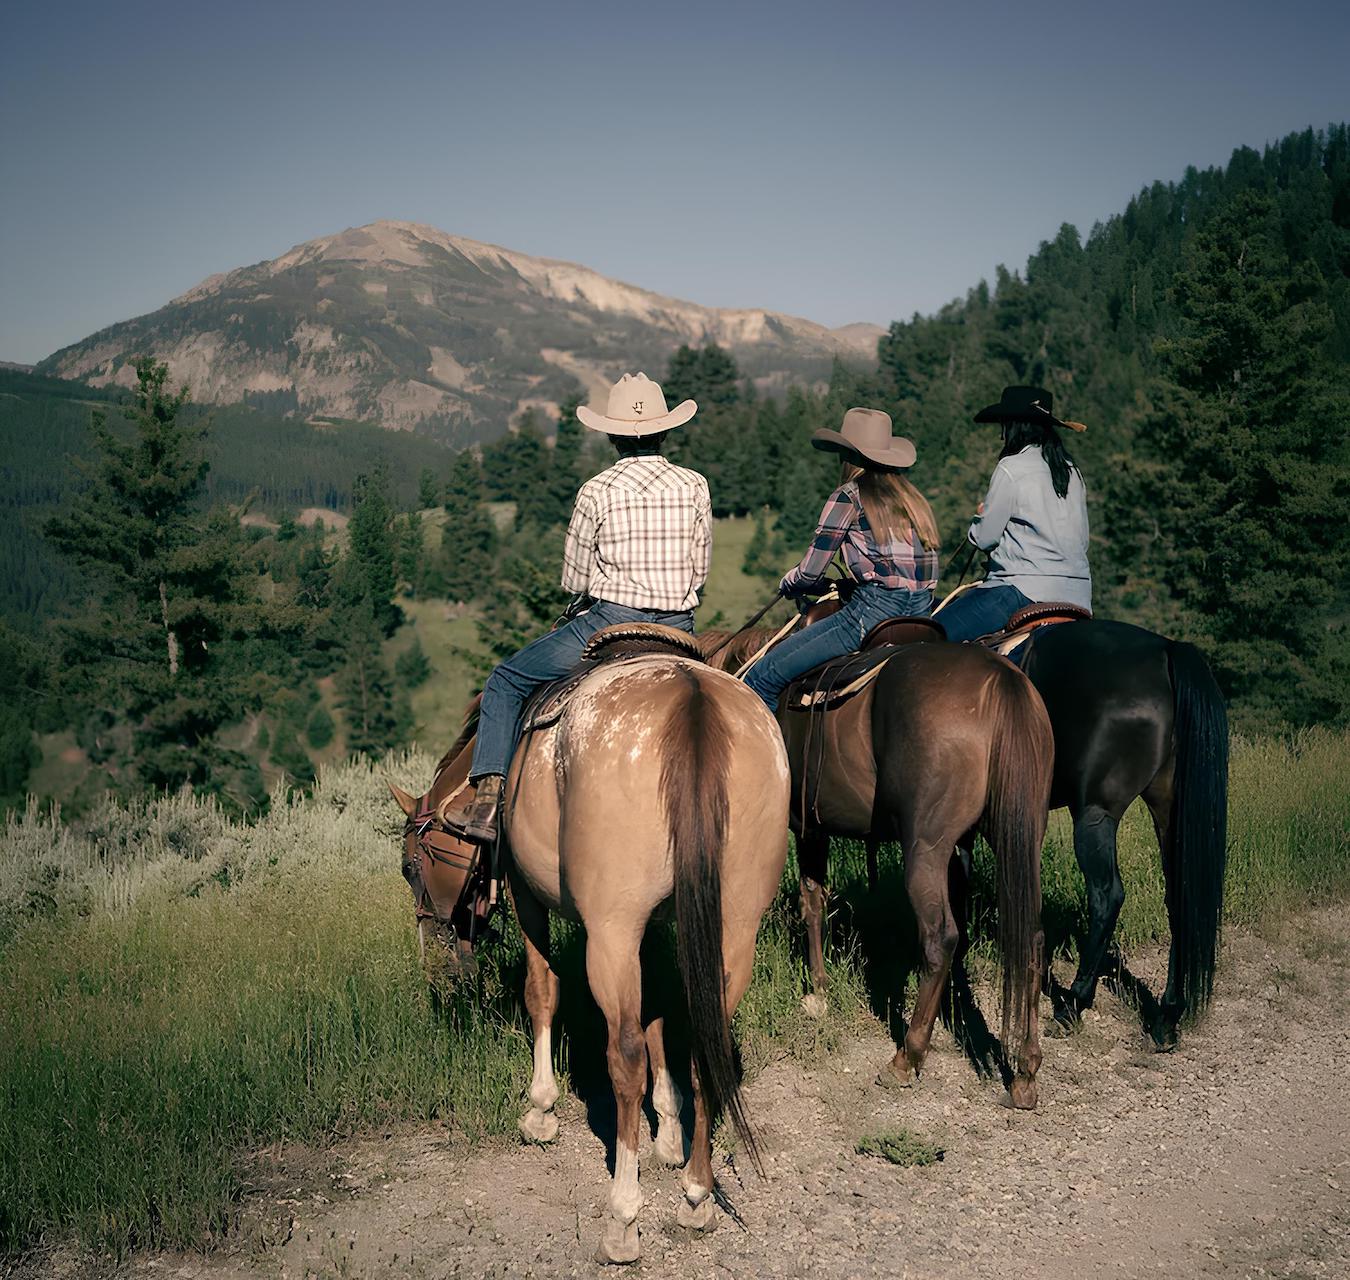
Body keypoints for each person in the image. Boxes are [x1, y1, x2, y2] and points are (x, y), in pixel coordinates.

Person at [451, 372, 712, 845]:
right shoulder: (695, 485)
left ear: (612, 435)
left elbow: (574, 579)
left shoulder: (596, 490)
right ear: (666, 431)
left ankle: (488, 799)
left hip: (611, 621)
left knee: (505, 681)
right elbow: (700, 572)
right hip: (679, 626)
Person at [744, 407, 939, 712]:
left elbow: (810, 572)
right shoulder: (912, 498)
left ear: (846, 457)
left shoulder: (848, 496)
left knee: (761, 678)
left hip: (873, 612)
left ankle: (770, 759)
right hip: (922, 613)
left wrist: (790, 583)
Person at [937, 385, 1091, 643]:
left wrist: (979, 522)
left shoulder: (1011, 467)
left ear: (1013, 426)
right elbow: (1082, 540)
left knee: (929, 635)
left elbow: (985, 538)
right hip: (1078, 595)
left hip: (1021, 591)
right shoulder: (1071, 471)